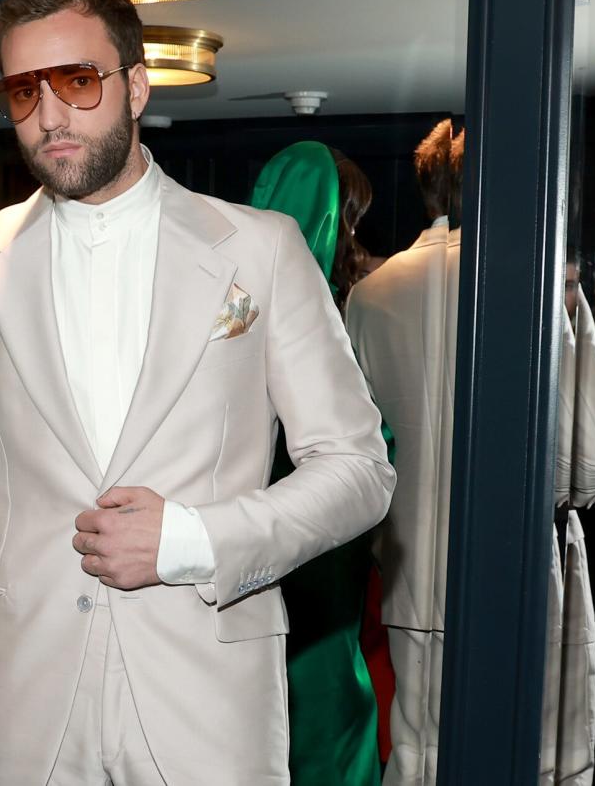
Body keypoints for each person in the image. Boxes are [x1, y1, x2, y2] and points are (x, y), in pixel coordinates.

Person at [0, 0, 395, 784]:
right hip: (26, 707)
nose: (52, 115)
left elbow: (359, 472)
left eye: (78, 80)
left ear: (136, 85)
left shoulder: (262, 248)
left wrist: (192, 540)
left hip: (208, 708)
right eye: (23, 90)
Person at [249, 141, 382, 786]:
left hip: (260, 524)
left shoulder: (228, 289)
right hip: (311, 534)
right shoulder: (321, 306)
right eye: (349, 219)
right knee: (320, 700)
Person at [344, 119, 459, 784]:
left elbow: (356, 441)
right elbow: (584, 467)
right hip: (519, 563)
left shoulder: (374, 292)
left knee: (415, 748)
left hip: (404, 555)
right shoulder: (529, 282)